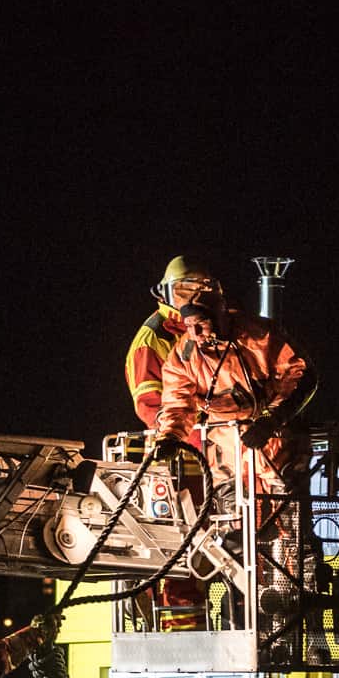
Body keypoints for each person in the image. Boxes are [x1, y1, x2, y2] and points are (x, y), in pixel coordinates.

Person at [149, 259, 316, 501]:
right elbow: (177, 404)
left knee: (289, 520)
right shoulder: (183, 357)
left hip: (278, 449)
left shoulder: (259, 336)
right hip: (227, 455)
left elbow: (300, 375)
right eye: (189, 326)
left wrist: (271, 420)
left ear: (218, 316)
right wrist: (169, 438)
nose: (195, 333)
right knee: (229, 522)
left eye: (201, 324)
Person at [124, 256, 215, 631]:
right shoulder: (154, 338)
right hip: (179, 466)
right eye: (185, 289)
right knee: (181, 562)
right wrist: (203, 430)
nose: (194, 296)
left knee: (230, 556)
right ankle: (183, 637)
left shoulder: (211, 329)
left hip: (218, 464)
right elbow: (151, 406)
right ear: (165, 293)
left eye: (202, 288)